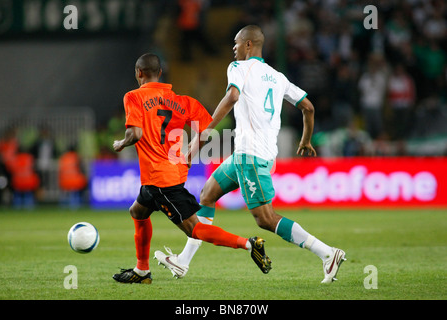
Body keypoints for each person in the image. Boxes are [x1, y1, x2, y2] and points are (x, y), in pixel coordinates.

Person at [155, 25, 346, 284]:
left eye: (236, 42)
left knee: (265, 219)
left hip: (251, 156)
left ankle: (327, 253)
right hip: (255, 154)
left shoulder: (238, 68)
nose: (233, 48)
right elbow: (308, 108)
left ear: (248, 45)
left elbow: (232, 96)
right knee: (207, 194)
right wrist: (305, 140)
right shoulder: (278, 77)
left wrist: (202, 135)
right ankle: (182, 261)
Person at [112, 53, 271, 284]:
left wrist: (121, 142)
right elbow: (206, 129)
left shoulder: (133, 97)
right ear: (161, 73)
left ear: (139, 73)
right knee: (137, 211)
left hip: (160, 179)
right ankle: (142, 271)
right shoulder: (184, 102)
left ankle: (249, 244)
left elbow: (134, 134)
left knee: (195, 230)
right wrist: (191, 151)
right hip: (171, 172)